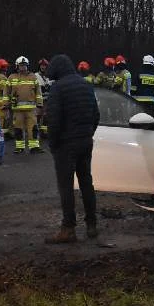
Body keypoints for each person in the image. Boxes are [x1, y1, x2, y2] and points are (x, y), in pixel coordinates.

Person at [43, 54, 100, 243]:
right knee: (86, 183)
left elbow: (54, 120)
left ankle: (68, 229)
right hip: (85, 142)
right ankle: (92, 225)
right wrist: (88, 133)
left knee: (66, 186)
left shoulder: (58, 89)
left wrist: (53, 144)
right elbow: (96, 114)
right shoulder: (86, 85)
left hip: (66, 145)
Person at [9, 56, 44, 154]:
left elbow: (38, 92)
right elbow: (6, 93)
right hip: (17, 109)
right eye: (21, 66)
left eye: (24, 65)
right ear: (17, 66)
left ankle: (34, 147)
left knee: (33, 128)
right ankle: (20, 147)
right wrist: (5, 104)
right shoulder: (12, 77)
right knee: (18, 129)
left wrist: (40, 104)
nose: (23, 67)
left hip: (31, 109)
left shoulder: (33, 77)